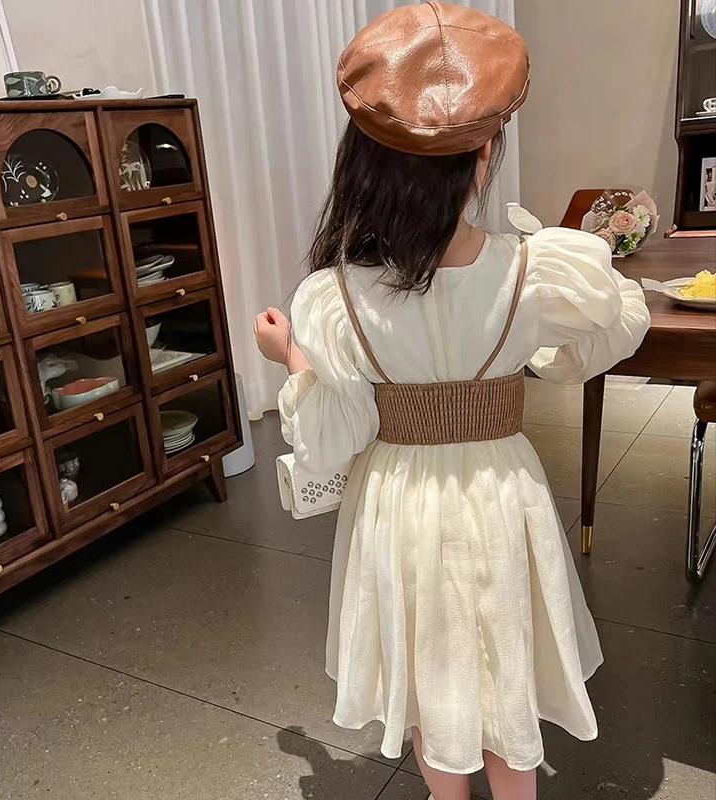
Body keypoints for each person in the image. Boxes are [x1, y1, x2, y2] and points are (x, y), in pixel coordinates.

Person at [255, 4, 650, 799]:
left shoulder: (334, 296)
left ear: (361, 163)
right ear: (484, 153)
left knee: (430, 681)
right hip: (502, 491)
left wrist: (289, 354)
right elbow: (612, 330)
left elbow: (338, 428)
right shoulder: (535, 269)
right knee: (506, 671)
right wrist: (570, 299)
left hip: (398, 501)